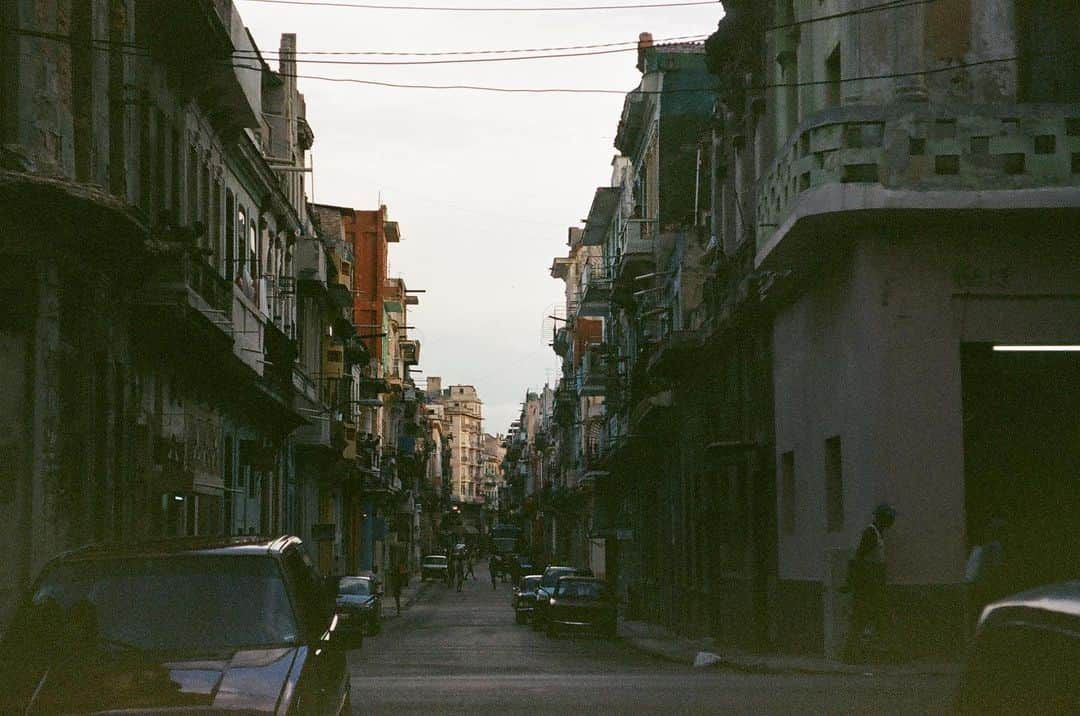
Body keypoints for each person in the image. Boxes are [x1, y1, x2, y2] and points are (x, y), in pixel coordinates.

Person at [846, 503, 896, 662]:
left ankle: (859, 652)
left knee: (867, 618)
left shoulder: (878, 533)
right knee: (862, 618)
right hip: (868, 585)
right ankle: (852, 652)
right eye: (889, 518)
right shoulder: (871, 533)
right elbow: (860, 558)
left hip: (874, 583)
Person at [965, 517, 1007, 636]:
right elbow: (996, 568)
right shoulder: (994, 546)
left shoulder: (980, 548)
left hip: (975, 584)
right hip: (985, 585)